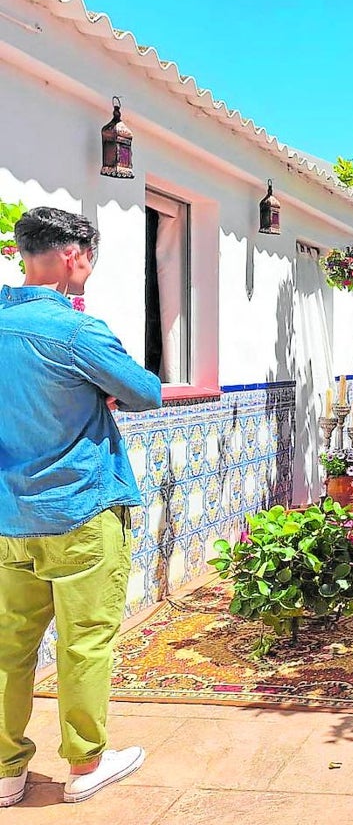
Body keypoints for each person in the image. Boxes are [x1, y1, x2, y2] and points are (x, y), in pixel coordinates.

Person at [0, 207, 161, 806]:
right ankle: (86, 764)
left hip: (8, 517)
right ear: (73, 254)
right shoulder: (73, 329)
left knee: (8, 645)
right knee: (85, 640)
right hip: (79, 508)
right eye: (90, 259)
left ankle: (6, 772)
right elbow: (144, 393)